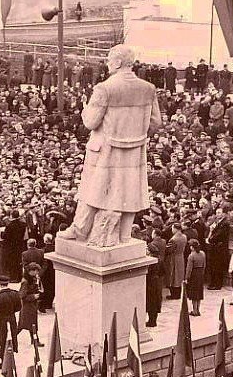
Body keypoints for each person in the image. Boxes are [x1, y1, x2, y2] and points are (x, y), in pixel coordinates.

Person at [60, 45, 162, 247]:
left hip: (105, 148)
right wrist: (136, 135)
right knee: (128, 191)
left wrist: (84, 109)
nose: (107, 64)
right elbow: (155, 122)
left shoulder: (104, 88)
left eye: (109, 60)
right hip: (135, 149)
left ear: (117, 62)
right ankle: (124, 235)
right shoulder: (148, 88)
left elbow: (90, 122)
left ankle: (79, 229)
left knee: (92, 190)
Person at [0, 277, 21, 366]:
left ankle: (3, 362)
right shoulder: (15, 294)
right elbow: (19, 307)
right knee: (12, 338)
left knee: (2, 340)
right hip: (12, 319)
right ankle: (11, 358)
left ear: (0, 283)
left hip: (2, 321)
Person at [185, 240, 205, 316]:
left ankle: (194, 310)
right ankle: (198, 310)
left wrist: (187, 278)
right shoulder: (202, 254)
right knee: (199, 293)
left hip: (194, 274)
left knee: (194, 294)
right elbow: (204, 265)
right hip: (200, 274)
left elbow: (189, 268)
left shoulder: (191, 256)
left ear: (192, 247)